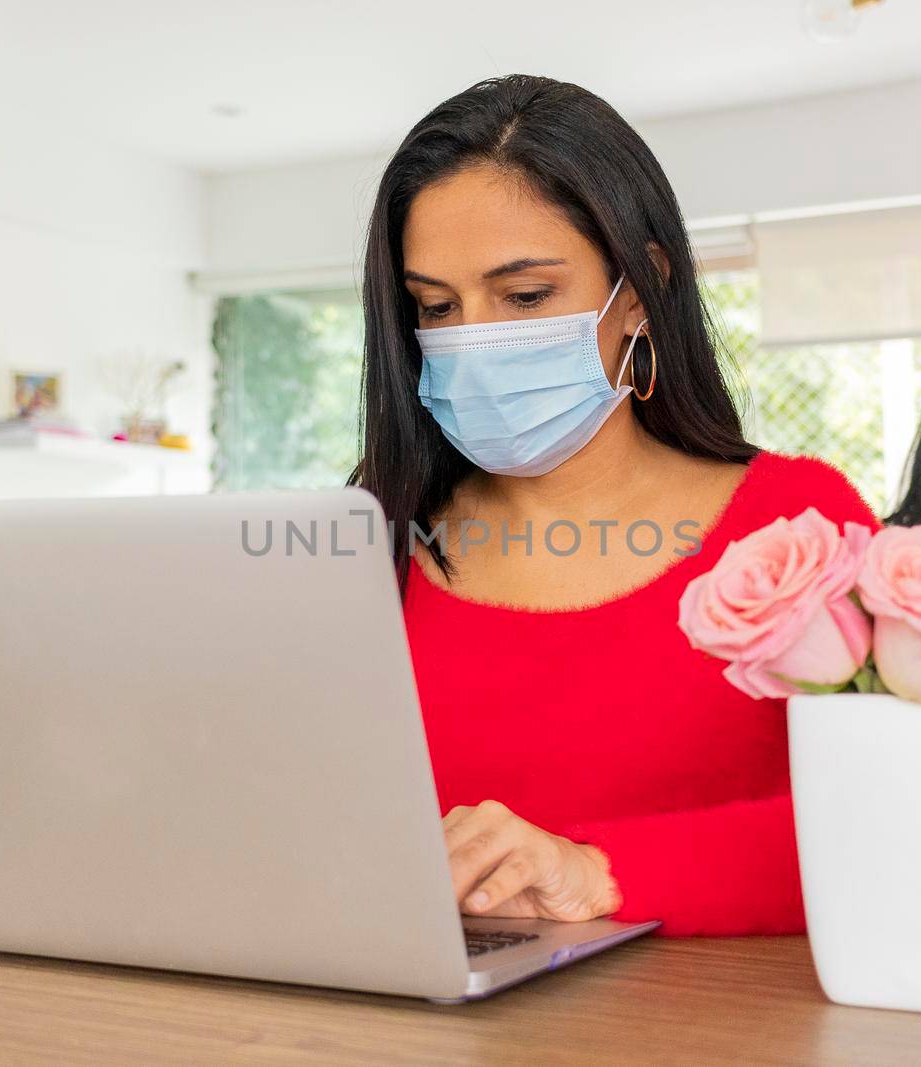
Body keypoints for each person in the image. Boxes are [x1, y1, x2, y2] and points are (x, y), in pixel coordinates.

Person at [351, 74, 880, 937]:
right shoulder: (370, 539)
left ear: (638, 288)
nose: (473, 343)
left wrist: (593, 871)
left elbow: (887, 823)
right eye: (436, 307)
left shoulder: (801, 524)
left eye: (524, 297)